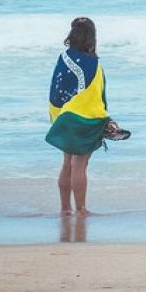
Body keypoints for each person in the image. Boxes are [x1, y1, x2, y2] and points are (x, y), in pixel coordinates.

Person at [45, 17, 122, 216]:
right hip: (84, 119)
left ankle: (64, 209)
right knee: (80, 165)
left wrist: (57, 115)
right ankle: (81, 209)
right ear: (91, 37)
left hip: (63, 116)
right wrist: (106, 120)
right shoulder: (94, 65)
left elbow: (57, 89)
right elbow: (97, 100)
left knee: (66, 163)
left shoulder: (63, 58)